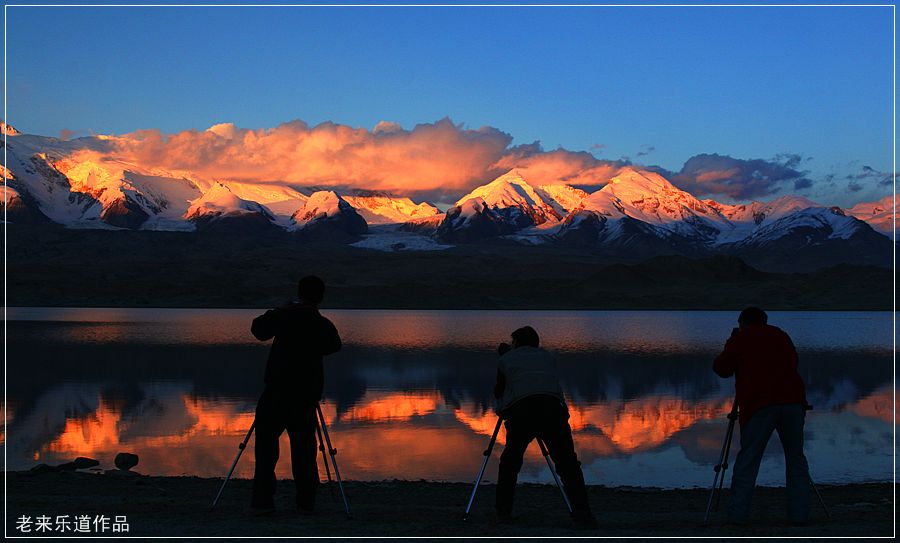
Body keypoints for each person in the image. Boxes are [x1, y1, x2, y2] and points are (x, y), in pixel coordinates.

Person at [249, 275, 342, 514]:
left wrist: (281, 310)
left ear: (299, 293)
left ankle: (263, 502)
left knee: (266, 451)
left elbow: (258, 329)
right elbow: (334, 346)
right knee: (304, 453)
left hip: (275, 394)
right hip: (304, 397)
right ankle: (305, 503)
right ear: (320, 297)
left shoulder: (284, 316)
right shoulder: (322, 324)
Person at [713, 307, 810, 525]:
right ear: (764, 321)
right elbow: (793, 362)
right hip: (793, 403)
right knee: (796, 459)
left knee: (749, 459)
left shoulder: (742, 338)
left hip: (760, 405)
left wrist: (731, 343)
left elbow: (721, 368)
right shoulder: (781, 335)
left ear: (743, 323)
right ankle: (800, 515)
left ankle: (738, 516)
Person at [493, 326, 596, 528]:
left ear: (516, 343)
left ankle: (503, 512)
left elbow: (499, 391)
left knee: (510, 463)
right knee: (568, 465)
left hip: (522, 411)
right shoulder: (548, 358)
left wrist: (504, 411)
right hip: (553, 410)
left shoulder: (505, 360)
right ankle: (583, 514)